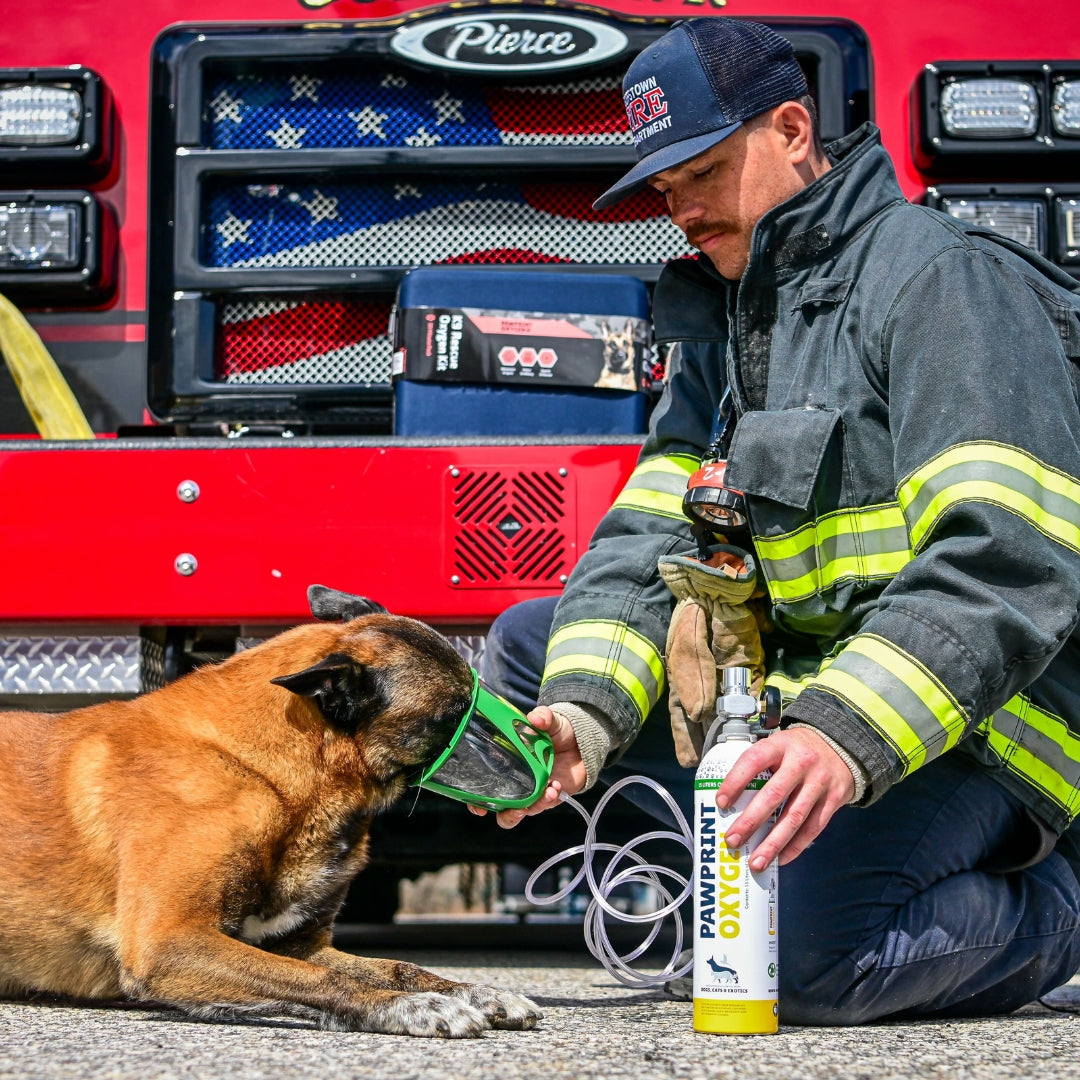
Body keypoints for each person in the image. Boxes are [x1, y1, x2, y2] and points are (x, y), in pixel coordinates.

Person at [477, 16, 1080, 1023]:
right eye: (667, 191)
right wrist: (582, 717)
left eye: (704, 173)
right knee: (530, 646)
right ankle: (744, 886)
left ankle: (1059, 903)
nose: (684, 212)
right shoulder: (729, 312)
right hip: (815, 682)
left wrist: (841, 735)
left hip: (986, 720)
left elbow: (1005, 564)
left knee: (804, 969)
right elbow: (650, 544)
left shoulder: (940, 282)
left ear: (794, 129)